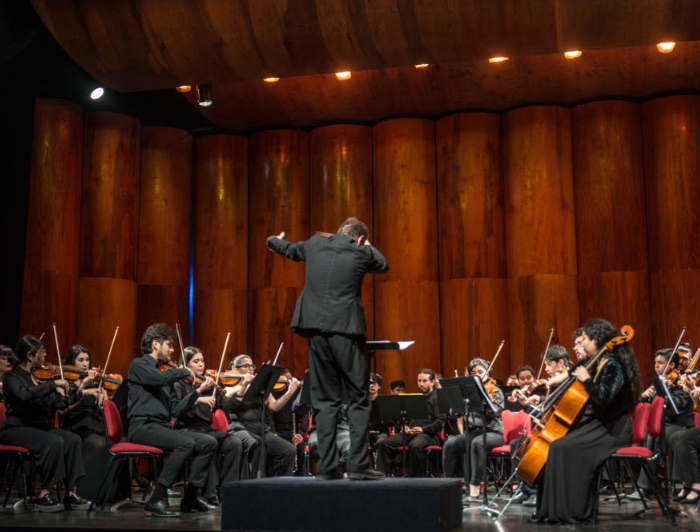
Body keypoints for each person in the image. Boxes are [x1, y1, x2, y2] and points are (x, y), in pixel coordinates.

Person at [267, 217, 389, 481]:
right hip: (347, 330)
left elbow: (284, 248)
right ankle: (357, 466)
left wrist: (274, 240)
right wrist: (365, 244)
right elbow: (382, 264)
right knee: (358, 397)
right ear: (359, 238)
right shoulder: (361, 250)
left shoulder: (314, 245)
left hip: (316, 331)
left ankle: (327, 467)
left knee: (324, 399)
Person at [532, 318, 641, 524]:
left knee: (563, 448)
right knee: (555, 446)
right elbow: (569, 374)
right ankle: (549, 510)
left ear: (597, 340)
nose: (581, 345)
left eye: (585, 341)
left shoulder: (613, 365)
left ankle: (572, 511)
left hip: (613, 428)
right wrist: (546, 388)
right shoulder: (592, 363)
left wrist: (588, 380)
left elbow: (605, 399)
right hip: (598, 424)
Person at [126, 323, 218, 517]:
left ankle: (191, 496)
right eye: (169, 344)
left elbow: (176, 409)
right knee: (185, 443)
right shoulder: (139, 365)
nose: (173, 349)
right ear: (155, 345)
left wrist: (196, 393)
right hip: (141, 426)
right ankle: (157, 498)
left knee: (209, 442)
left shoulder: (165, 373)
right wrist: (184, 371)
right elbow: (157, 379)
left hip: (161, 427)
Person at [0, 335, 91, 512]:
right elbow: (23, 396)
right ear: (30, 355)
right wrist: (52, 386)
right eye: (41, 352)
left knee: (72, 440)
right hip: (16, 428)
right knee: (53, 441)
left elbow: (60, 404)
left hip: (38, 427)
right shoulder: (13, 377)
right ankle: (43, 494)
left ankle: (70, 493)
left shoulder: (42, 377)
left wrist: (76, 391)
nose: (45, 355)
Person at [172, 346, 246, 506]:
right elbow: (178, 410)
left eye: (202, 361)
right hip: (186, 428)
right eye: (196, 361)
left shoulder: (208, 384)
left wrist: (241, 391)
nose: (201, 365)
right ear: (186, 365)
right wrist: (199, 391)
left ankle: (228, 491)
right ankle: (209, 495)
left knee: (234, 442)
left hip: (205, 428)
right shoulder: (179, 384)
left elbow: (227, 404)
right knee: (209, 441)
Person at [61, 344, 128, 502]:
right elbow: (64, 409)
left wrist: (103, 400)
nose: (85, 364)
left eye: (87, 360)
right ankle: (92, 492)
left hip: (92, 424)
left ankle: (114, 493)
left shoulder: (94, 383)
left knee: (121, 441)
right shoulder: (65, 383)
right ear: (72, 363)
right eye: (80, 360)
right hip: (75, 426)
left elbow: (100, 411)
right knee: (101, 444)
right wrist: (83, 387)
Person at [440, 358, 503, 502]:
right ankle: (449, 484)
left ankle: (475, 485)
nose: (477, 375)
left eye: (480, 372)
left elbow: (496, 411)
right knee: (451, 443)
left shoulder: (495, 390)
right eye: (473, 373)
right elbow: (455, 412)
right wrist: (456, 407)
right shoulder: (467, 393)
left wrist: (487, 405)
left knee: (476, 443)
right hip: (473, 432)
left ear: (488, 373)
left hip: (494, 433)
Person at [226, 354, 299, 478]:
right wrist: (244, 385)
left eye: (252, 366)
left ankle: (278, 487)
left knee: (288, 450)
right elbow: (229, 401)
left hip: (261, 429)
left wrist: (290, 391)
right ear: (235, 369)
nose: (251, 369)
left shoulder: (260, 387)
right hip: (240, 429)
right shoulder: (230, 387)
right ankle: (254, 486)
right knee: (257, 445)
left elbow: (274, 406)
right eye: (246, 366)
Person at [376, 369, 444, 477]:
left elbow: (440, 423)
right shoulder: (415, 397)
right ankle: (382, 476)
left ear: (432, 382)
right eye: (419, 381)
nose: (421, 384)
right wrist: (405, 426)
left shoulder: (438, 398)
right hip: (411, 432)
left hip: (428, 434)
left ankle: (413, 477)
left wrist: (423, 429)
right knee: (385, 443)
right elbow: (407, 417)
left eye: (424, 381)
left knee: (415, 445)